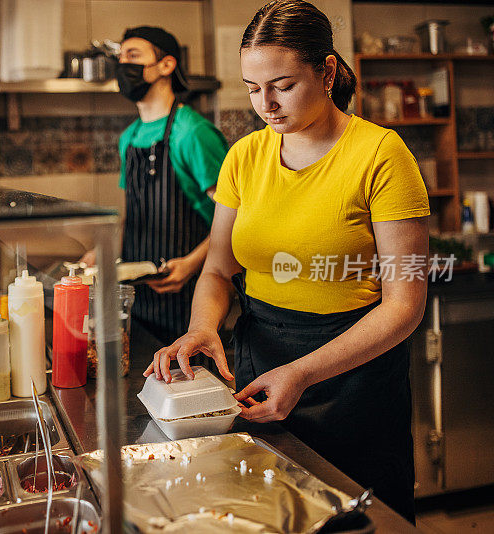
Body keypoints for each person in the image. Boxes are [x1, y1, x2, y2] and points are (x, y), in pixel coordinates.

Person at [145, 0, 429, 522]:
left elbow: (405, 305)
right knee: (265, 517)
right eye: (253, 89)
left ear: (325, 71)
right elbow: (216, 269)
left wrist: (300, 374)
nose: (266, 105)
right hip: (258, 364)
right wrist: (203, 327)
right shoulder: (245, 157)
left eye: (282, 84)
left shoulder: (381, 155)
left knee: (358, 522)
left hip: (354, 380)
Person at [83, 26, 229, 345]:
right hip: (138, 301)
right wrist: (103, 252)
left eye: (133, 56)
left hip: (190, 298)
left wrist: (191, 264)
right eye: (120, 57)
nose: (124, 65)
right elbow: (131, 212)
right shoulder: (129, 137)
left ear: (166, 65)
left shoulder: (192, 133)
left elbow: (236, 217)